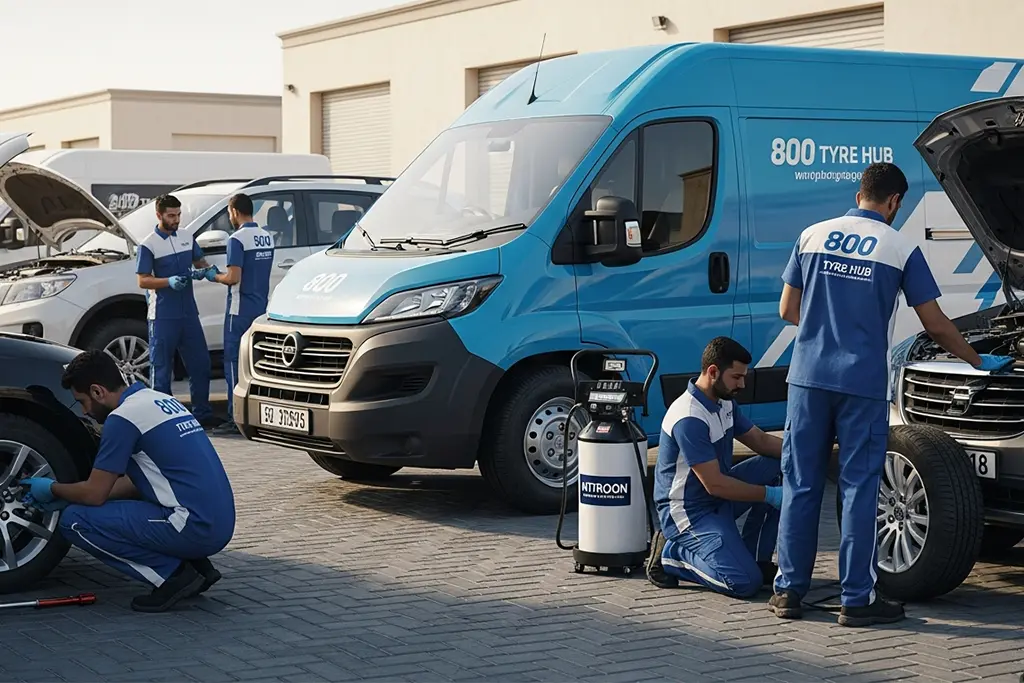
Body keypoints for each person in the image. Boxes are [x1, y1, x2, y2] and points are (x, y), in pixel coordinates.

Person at [771, 162, 1014, 627]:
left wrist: (825, 329)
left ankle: (788, 592)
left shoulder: (811, 235)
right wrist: (978, 360)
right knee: (859, 488)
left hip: (806, 379)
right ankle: (856, 599)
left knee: (800, 484)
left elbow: (787, 310)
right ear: (895, 201)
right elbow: (935, 324)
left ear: (859, 194)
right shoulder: (899, 247)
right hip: (860, 383)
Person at [19, 350, 236, 612]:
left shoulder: (122, 419)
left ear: (98, 391)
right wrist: (67, 495)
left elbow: (95, 494)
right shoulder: (160, 399)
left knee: (74, 521)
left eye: (82, 402)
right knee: (109, 506)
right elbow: (137, 484)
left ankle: (173, 576)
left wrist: (52, 489)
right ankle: (199, 567)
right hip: (218, 521)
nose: (85, 412)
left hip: (195, 526)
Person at [645, 337, 784, 599]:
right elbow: (715, 484)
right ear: (713, 372)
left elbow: (760, 441)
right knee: (743, 583)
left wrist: (806, 455)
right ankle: (672, 554)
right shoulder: (689, 417)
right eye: (736, 377)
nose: (742, 384)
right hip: (690, 512)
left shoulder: (724, 401)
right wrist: (770, 495)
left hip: (717, 498)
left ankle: (757, 559)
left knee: (781, 466)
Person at [136, 194, 219, 430]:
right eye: (171, 215)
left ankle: (202, 414)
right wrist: (168, 282)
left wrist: (206, 271)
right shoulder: (148, 244)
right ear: (159, 215)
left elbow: (200, 262)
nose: (176, 220)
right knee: (162, 369)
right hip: (162, 315)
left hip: (188, 313)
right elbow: (143, 280)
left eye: (179, 215)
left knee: (200, 364)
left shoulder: (186, 237)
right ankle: (163, 419)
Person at [205, 193, 275, 435]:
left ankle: (235, 418)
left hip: (239, 310)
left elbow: (233, 278)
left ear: (234, 212)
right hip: (260, 308)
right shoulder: (266, 237)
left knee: (234, 363)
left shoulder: (236, 239)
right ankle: (256, 416)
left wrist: (213, 275)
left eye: (229, 213)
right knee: (256, 363)